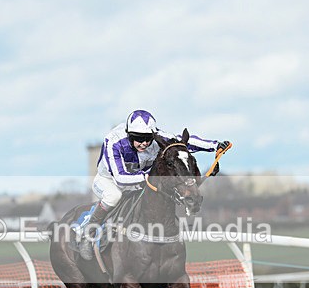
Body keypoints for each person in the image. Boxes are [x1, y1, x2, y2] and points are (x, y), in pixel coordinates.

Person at [76, 109, 231, 260]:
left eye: (147, 139)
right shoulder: (114, 141)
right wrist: (149, 178)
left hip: (141, 180)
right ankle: (87, 235)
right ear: (129, 135)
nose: (144, 143)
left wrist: (214, 146)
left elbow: (181, 144)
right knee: (114, 196)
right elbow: (121, 179)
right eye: (138, 138)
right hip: (109, 181)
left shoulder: (157, 137)